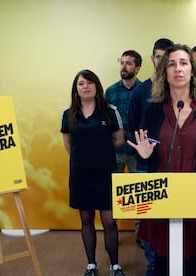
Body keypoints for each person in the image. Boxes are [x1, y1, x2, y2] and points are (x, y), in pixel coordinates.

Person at [127, 44, 196, 276]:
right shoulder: (153, 109)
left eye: (184, 63)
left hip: (192, 194)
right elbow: (145, 151)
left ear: (193, 71)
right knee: (162, 258)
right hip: (161, 194)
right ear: (164, 71)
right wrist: (143, 157)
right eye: (172, 64)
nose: (178, 69)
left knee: (189, 259)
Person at [61, 69, 126, 276]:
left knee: (109, 221)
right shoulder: (68, 113)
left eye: (89, 83)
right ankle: (91, 265)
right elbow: (68, 145)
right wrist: (85, 157)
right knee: (86, 220)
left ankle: (115, 266)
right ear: (76, 89)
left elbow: (119, 140)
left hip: (105, 174)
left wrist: (100, 154)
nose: (85, 87)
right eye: (81, 83)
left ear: (97, 86)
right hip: (80, 175)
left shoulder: (109, 111)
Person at [128, 37, 174, 276]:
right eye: (158, 56)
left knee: (174, 217)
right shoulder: (140, 92)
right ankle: (153, 263)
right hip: (146, 164)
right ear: (152, 58)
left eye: (167, 57)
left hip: (176, 164)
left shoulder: (179, 89)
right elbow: (134, 127)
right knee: (148, 216)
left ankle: (171, 263)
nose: (162, 61)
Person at [105, 50, 142, 173]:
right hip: (115, 150)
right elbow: (105, 120)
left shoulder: (145, 90)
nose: (123, 67)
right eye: (122, 63)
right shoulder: (110, 91)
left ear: (137, 68)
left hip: (137, 151)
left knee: (138, 189)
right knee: (114, 189)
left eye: (128, 63)